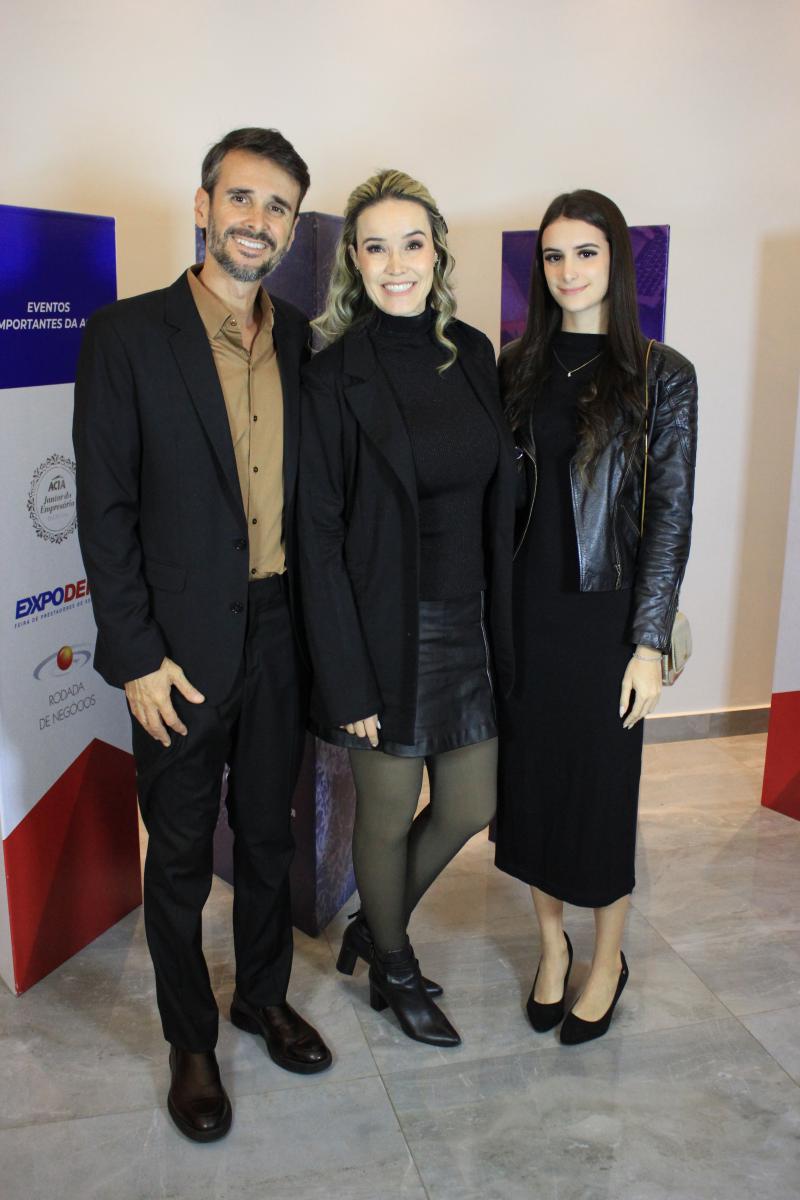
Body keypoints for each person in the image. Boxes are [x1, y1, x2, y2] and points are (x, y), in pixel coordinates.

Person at [73, 127, 331, 1143]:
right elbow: (105, 510)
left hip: (280, 636)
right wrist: (134, 656)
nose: (256, 221)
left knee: (268, 837)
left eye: (277, 207)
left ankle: (260, 998)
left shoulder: (302, 338)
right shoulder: (126, 336)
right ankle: (190, 1042)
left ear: (292, 227)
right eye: (241, 198)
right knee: (180, 854)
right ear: (203, 205)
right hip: (175, 651)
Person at [298, 169, 516, 1047]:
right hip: (382, 630)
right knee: (385, 820)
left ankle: (373, 926)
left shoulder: (473, 352)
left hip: (468, 622)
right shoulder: (331, 375)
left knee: (469, 802)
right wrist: (346, 678)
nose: (396, 264)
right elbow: (317, 538)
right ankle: (392, 965)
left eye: (412, 244)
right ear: (354, 259)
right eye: (377, 247)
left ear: (437, 252)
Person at [495, 189, 698, 1044]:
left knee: (602, 796)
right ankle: (553, 947)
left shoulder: (662, 373)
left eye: (586, 252)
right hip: (523, 614)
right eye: (553, 255)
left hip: (607, 620)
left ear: (615, 258)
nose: (569, 270)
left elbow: (671, 515)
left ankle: (608, 960)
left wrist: (649, 641)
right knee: (533, 790)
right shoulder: (515, 366)